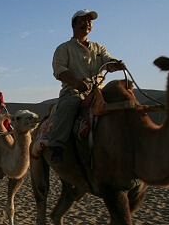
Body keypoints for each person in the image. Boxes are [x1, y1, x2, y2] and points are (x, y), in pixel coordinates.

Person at [48, 9, 125, 164]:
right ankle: (57, 146)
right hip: (74, 91)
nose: (87, 23)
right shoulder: (64, 48)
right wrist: (75, 82)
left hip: (99, 90)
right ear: (73, 24)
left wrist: (116, 65)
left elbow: (107, 62)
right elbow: (59, 70)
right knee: (69, 106)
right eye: (83, 20)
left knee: (123, 100)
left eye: (89, 21)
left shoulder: (98, 48)